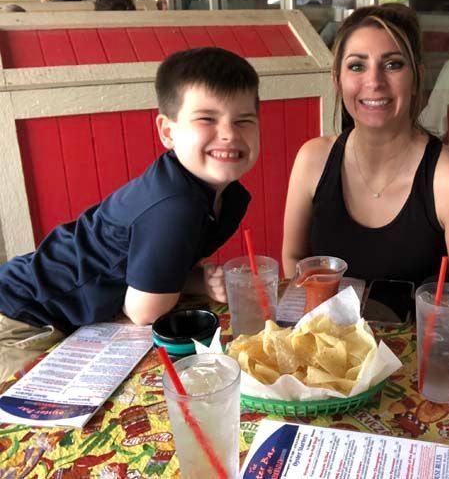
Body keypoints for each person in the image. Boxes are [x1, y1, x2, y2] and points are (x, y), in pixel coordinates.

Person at [0, 47, 261, 382]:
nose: (229, 133)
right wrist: (179, 286)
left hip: (69, 315)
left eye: (244, 120)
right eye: (206, 118)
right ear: (168, 132)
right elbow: (144, 311)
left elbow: (146, 277)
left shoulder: (229, 197)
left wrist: (194, 279)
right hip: (22, 319)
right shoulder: (175, 206)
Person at [282, 3, 449, 286]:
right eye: (357, 66)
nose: (374, 82)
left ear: (416, 78)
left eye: (393, 64)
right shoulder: (312, 159)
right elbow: (294, 258)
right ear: (337, 80)